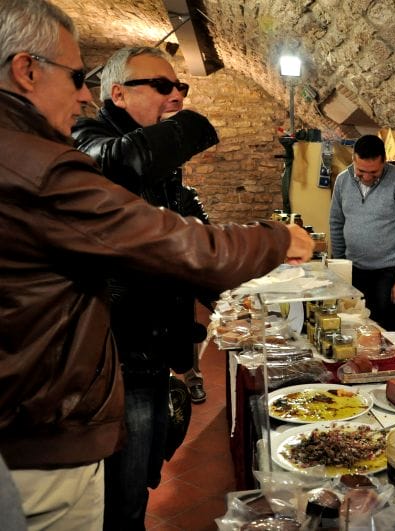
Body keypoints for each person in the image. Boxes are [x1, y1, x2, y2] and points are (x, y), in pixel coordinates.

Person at [0, 2, 313, 529]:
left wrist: (232, 299)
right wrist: (276, 239)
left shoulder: (43, 154)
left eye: (182, 88)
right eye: (76, 77)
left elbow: (185, 230)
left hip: (121, 363)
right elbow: (166, 231)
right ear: (27, 70)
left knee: (136, 484)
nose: (82, 94)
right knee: (122, 502)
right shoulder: (69, 150)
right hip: (78, 389)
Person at [70, 45, 216, 529]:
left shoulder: (162, 169)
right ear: (116, 94)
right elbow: (121, 162)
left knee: (145, 472)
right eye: (161, 86)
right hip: (116, 356)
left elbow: (188, 242)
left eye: (180, 87)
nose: (176, 95)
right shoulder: (88, 139)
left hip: (153, 350)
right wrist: (193, 123)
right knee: (123, 494)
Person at [329, 135, 395, 331]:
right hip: (353, 269)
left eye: (374, 172)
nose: (367, 177)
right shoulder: (342, 181)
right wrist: (340, 266)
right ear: (353, 159)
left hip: (388, 273)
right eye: (361, 171)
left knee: (384, 331)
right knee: (352, 327)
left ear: (384, 161)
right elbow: (336, 223)